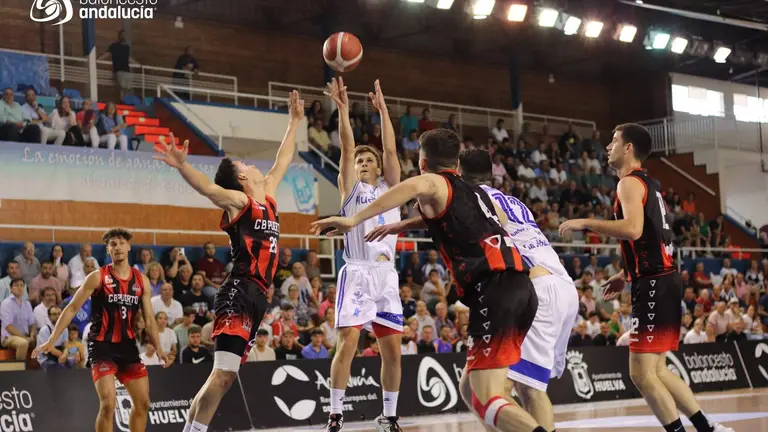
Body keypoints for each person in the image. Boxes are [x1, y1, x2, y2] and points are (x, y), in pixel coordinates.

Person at [310, 128, 545, 432]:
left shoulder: (430, 181)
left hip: (493, 289)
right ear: (456, 164)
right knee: (475, 390)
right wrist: (400, 226)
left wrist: (353, 219)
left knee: (485, 397)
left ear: (422, 161)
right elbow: (444, 215)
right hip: (523, 287)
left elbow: (409, 187)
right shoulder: (473, 190)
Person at [369, 148, 579, 432]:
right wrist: (402, 226)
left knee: (516, 389)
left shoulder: (473, 195)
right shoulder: (511, 200)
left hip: (532, 284)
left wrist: (398, 224)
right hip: (562, 285)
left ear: (457, 172)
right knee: (473, 387)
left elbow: (451, 211)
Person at [558, 123, 733, 432]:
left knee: (641, 374)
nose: (608, 146)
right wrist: (626, 274)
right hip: (661, 279)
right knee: (658, 369)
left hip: (654, 283)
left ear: (628, 148)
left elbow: (634, 230)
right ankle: (708, 428)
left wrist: (586, 222)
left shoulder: (628, 184)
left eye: (614, 141)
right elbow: (652, 237)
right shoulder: (649, 184)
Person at [155, 90, 303, 432]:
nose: (252, 164)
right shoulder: (239, 201)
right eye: (246, 163)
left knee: (221, 375)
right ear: (241, 178)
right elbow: (209, 189)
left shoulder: (266, 196)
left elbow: (284, 159)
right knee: (223, 375)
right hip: (239, 290)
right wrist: (182, 166)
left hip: (257, 297)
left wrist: (294, 122)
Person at [322, 78, 404, 432]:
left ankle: (389, 415)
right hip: (357, 272)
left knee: (393, 352)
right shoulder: (351, 189)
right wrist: (342, 109)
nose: (365, 163)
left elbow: (390, 152)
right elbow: (346, 145)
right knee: (349, 343)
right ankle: (336, 414)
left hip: (387, 277)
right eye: (361, 161)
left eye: (369, 160)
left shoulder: (392, 188)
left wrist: (383, 110)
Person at [33, 228, 169, 432]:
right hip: (101, 346)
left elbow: (149, 319)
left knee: (143, 403)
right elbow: (71, 308)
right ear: (108, 249)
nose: (118, 247)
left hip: (128, 347)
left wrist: (159, 347)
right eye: (113, 244)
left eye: (122, 243)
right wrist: (52, 339)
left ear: (129, 247)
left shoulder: (142, 281)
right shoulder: (97, 277)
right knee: (108, 404)